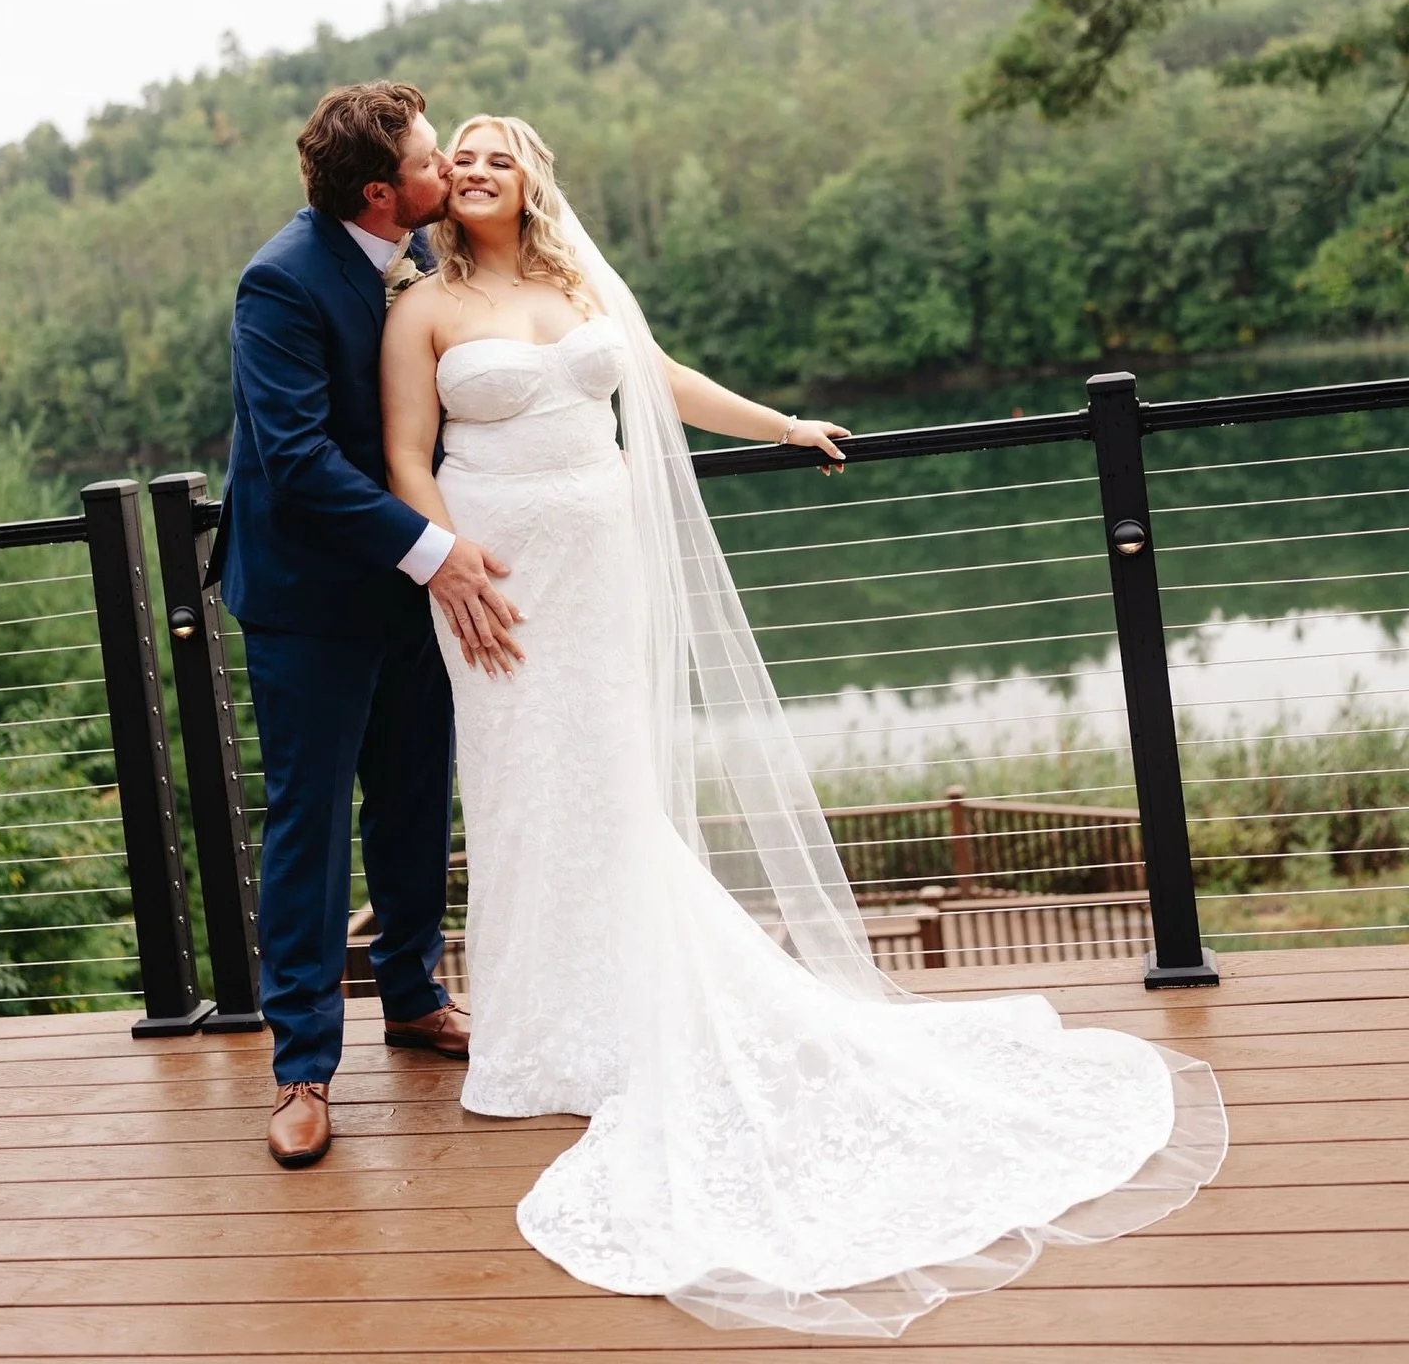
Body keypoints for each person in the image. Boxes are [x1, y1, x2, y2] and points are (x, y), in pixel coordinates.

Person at [379, 112, 1229, 1338]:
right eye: (457, 159)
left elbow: (656, 384)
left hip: (603, 569)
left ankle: (632, 1010)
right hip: (499, 583)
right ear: (441, 193)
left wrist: (780, 425)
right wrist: (449, 565)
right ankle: (540, 1037)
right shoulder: (422, 310)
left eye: (494, 154)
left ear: (530, 178)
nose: (472, 169)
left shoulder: (576, 281)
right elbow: (408, 455)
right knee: (520, 795)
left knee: (613, 790)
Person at [211, 82, 517, 1168]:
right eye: (435, 163)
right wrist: (438, 554)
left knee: (412, 802)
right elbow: (295, 463)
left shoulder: (420, 263)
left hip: (407, 592)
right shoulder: (279, 282)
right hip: (307, 604)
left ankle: (415, 996)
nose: (450, 176)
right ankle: (302, 1067)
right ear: (385, 192)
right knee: (308, 828)